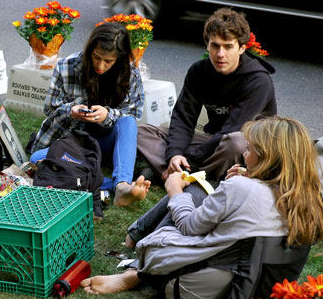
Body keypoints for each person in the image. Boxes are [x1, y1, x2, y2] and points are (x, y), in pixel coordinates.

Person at [80, 116, 323, 297]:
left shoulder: (241, 187)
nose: (244, 155)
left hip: (191, 285)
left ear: (267, 156)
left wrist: (175, 191)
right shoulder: (310, 198)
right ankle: (135, 241)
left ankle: (135, 263)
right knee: (199, 195)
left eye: (249, 149)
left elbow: (189, 227)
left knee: (189, 195)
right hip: (257, 288)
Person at [137, 8, 276, 183]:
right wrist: (175, 153)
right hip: (214, 141)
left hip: (251, 149)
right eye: (215, 45)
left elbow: (234, 129)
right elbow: (183, 118)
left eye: (228, 47)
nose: (220, 54)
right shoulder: (199, 71)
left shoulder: (258, 81)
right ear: (207, 45)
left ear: (241, 48)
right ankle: (182, 172)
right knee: (142, 132)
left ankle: (186, 175)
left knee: (235, 142)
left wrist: (192, 158)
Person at [29, 22, 150, 207]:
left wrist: (108, 114)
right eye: (96, 57)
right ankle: (114, 186)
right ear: (89, 50)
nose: (101, 65)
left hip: (107, 143)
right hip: (73, 142)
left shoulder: (131, 74)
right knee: (37, 159)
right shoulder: (66, 66)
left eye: (109, 61)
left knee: (128, 122)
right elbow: (50, 109)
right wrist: (71, 110)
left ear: (120, 58)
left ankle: (123, 185)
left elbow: (134, 112)